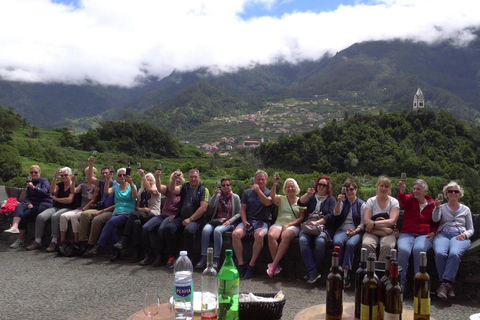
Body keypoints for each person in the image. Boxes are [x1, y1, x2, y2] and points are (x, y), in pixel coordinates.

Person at [83, 167, 137, 261]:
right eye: (120, 175)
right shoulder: (116, 188)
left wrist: (131, 183)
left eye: (124, 175)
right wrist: (107, 179)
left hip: (127, 213)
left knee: (110, 223)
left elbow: (135, 196)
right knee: (113, 229)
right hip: (116, 213)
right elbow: (106, 191)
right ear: (117, 177)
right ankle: (116, 253)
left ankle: (99, 245)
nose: (122, 177)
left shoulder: (132, 186)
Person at [433, 181, 474, 301]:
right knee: (440, 253)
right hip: (442, 235)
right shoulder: (441, 207)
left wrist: (465, 235)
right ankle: (448, 285)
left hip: (459, 236)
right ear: (446, 194)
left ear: (460, 194)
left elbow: (471, 229)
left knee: (454, 254)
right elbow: (435, 219)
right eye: (450, 191)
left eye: (456, 191)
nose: (453, 193)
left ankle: (444, 284)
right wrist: (436, 208)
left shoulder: (466, 209)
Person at [26, 167, 80, 252]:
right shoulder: (60, 184)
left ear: (70, 175)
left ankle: (54, 241)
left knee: (55, 217)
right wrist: (55, 177)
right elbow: (52, 190)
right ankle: (37, 241)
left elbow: (69, 200)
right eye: (62, 175)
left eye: (65, 175)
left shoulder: (74, 185)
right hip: (56, 206)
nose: (63, 177)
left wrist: (57, 199)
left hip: (68, 207)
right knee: (40, 217)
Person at [164, 169, 209, 268]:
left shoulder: (203, 190)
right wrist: (173, 179)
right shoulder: (185, 187)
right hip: (182, 217)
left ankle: (189, 257)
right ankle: (173, 255)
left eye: (195, 177)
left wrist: (191, 219)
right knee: (169, 228)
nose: (193, 179)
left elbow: (203, 207)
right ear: (188, 178)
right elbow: (172, 189)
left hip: (197, 219)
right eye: (191, 177)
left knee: (188, 230)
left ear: (199, 178)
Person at [232, 170, 273, 279]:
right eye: (258, 179)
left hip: (263, 221)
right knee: (235, 234)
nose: (260, 181)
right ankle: (241, 264)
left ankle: (252, 264)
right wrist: (245, 221)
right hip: (249, 220)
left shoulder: (269, 192)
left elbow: (267, 202)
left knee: (259, 236)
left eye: (262, 180)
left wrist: (259, 191)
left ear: (266, 180)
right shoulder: (247, 192)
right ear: (255, 180)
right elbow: (243, 209)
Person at [396, 178, 437, 289]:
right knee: (403, 250)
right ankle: (400, 284)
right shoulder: (409, 199)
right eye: (414, 189)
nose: (415, 191)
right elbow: (402, 199)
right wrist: (402, 191)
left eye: (418, 189)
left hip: (424, 234)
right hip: (407, 233)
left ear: (425, 191)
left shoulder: (432, 204)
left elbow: (435, 221)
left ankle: (419, 285)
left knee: (419, 250)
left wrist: (433, 231)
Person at [113, 170, 161, 263]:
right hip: (143, 214)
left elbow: (150, 190)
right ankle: (138, 252)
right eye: (147, 180)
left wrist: (143, 175)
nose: (148, 182)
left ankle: (124, 238)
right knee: (136, 223)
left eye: (150, 180)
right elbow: (138, 207)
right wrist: (144, 209)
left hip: (154, 214)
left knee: (133, 214)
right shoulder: (141, 191)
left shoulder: (156, 190)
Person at [139, 171, 184, 267]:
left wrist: (177, 216)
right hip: (163, 214)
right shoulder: (168, 189)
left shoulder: (183, 190)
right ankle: (149, 254)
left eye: (179, 178)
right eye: (175, 178)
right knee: (146, 228)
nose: (177, 180)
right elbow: (159, 188)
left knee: (161, 229)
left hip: (173, 216)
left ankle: (161, 255)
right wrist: (158, 177)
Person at [297, 175, 336, 283]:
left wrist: (318, 222)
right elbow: (300, 203)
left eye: (324, 185)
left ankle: (311, 272)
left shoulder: (331, 199)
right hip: (309, 226)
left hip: (324, 227)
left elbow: (331, 215)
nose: (321, 187)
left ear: (328, 187)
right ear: (316, 185)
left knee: (320, 241)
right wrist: (307, 194)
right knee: (302, 240)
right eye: (320, 184)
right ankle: (313, 271)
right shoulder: (312, 197)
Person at [196, 177, 241, 269]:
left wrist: (230, 221)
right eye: (223, 185)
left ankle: (216, 258)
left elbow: (239, 213)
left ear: (230, 186)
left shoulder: (235, 197)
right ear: (220, 186)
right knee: (205, 230)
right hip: (216, 221)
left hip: (228, 222)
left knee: (217, 231)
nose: (225, 187)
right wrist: (213, 196)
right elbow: (211, 207)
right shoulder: (217, 196)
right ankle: (204, 256)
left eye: (227, 185)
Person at [5, 165, 53, 249]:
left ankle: (20, 240)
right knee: (19, 206)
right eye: (32, 172)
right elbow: (27, 197)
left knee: (24, 216)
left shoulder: (44, 181)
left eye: (35, 172)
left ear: (39, 172)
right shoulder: (30, 182)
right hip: (32, 203)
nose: (33, 174)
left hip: (43, 204)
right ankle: (14, 227)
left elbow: (45, 192)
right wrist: (28, 203)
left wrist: (34, 187)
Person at [266, 176, 305, 277]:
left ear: (296, 188)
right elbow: (272, 196)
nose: (290, 189)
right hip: (279, 223)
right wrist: (274, 184)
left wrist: (289, 225)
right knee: (271, 235)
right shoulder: (281, 198)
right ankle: (277, 266)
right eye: (288, 187)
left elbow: (301, 218)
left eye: (292, 187)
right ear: (285, 189)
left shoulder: (301, 201)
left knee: (286, 236)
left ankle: (273, 265)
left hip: (294, 225)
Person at [78, 157, 117, 254]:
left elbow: (116, 205)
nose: (104, 175)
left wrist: (101, 211)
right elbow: (89, 178)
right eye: (103, 173)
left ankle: (91, 245)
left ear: (111, 173)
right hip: (101, 208)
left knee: (96, 220)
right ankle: (82, 242)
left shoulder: (116, 186)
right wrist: (91, 164)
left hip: (110, 211)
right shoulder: (102, 183)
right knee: (84, 215)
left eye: (106, 173)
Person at [332, 178, 365, 288]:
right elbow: (336, 213)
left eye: (351, 189)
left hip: (356, 231)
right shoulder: (342, 202)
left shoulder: (362, 204)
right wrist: (338, 201)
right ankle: (337, 270)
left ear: (356, 190)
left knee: (351, 245)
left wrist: (355, 231)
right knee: (337, 242)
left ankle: (345, 275)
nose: (349, 192)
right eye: (347, 190)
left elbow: (363, 222)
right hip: (342, 230)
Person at [362, 176, 400, 261]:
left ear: (389, 189)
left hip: (388, 232)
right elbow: (366, 221)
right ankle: (370, 269)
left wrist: (374, 223)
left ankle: (381, 270)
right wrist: (383, 228)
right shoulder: (371, 201)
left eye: (386, 186)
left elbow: (392, 221)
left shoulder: (394, 202)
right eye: (381, 186)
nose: (383, 188)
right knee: (366, 244)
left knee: (388, 246)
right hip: (372, 231)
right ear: (377, 186)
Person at [58, 167, 98, 244]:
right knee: (63, 216)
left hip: (89, 209)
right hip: (80, 208)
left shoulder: (96, 186)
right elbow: (73, 191)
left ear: (95, 174)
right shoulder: (83, 185)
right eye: (86, 174)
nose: (88, 175)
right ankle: (62, 241)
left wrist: (83, 210)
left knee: (74, 217)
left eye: (90, 173)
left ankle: (76, 240)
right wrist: (73, 181)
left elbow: (93, 200)